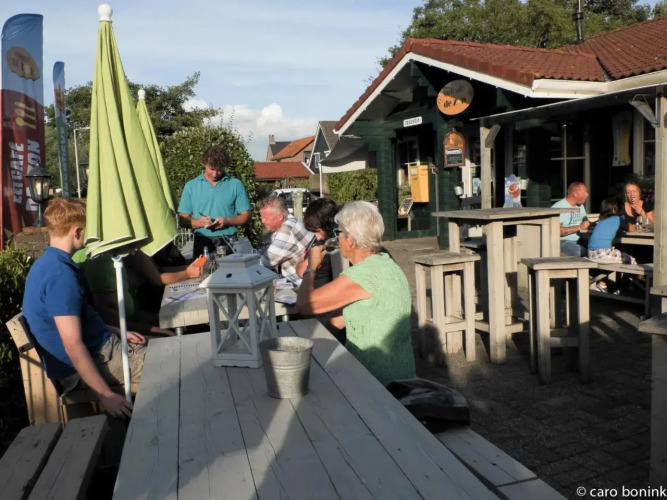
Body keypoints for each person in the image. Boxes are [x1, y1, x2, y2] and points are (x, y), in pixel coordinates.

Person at [22, 198, 145, 418]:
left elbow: (77, 324)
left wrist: (117, 331)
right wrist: (105, 395)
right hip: (94, 361)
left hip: (100, 351)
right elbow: (72, 344)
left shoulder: (45, 265)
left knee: (168, 353)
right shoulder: (60, 276)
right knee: (171, 363)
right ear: (77, 232)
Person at [296, 201, 416, 386]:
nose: (337, 237)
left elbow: (304, 305)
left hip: (378, 380)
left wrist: (311, 267)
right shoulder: (385, 262)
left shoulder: (363, 275)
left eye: (339, 232)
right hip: (400, 373)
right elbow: (341, 319)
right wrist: (311, 345)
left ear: (350, 239)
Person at [73, 250, 203, 336]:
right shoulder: (103, 260)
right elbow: (113, 322)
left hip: (132, 320)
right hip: (118, 335)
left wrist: (167, 322)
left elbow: (133, 314)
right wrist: (187, 273)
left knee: (185, 325)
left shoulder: (117, 262)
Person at [178, 145, 251, 258]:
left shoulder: (236, 184)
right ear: (204, 164)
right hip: (202, 240)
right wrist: (200, 222)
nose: (215, 174)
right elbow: (182, 220)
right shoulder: (191, 186)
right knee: (203, 270)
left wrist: (227, 221)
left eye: (220, 170)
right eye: (212, 169)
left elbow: (246, 216)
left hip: (229, 240)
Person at [259, 195, 314, 285]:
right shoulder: (288, 222)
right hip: (301, 282)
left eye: (266, 218)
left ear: (280, 216)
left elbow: (266, 261)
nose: (262, 221)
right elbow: (266, 248)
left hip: (305, 286)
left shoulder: (287, 230)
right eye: (261, 217)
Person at [296, 197, 339, 289]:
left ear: (327, 224)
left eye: (318, 231)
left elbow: (301, 271)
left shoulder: (326, 245)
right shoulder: (337, 238)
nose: (317, 236)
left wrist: (300, 259)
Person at [551, 181, 591, 257]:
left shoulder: (580, 206)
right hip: (562, 241)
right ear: (575, 194)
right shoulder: (559, 207)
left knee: (597, 248)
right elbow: (557, 231)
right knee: (580, 252)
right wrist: (579, 227)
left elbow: (585, 222)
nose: (587, 195)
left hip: (580, 239)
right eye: (584, 192)